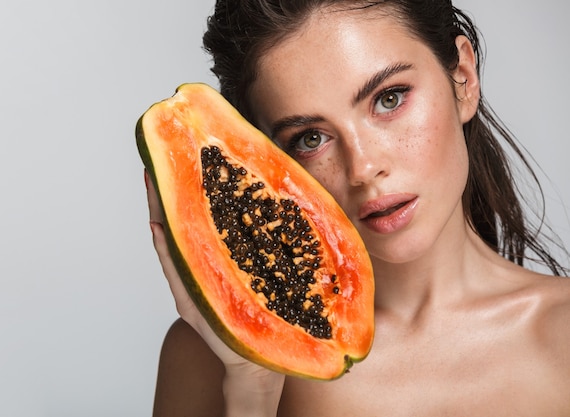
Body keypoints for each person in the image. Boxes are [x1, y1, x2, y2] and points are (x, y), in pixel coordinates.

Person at [145, 1, 570, 415]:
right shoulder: (206, 360)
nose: (363, 168)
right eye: (310, 138)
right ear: (266, 162)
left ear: (463, 78)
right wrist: (250, 388)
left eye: (389, 99)